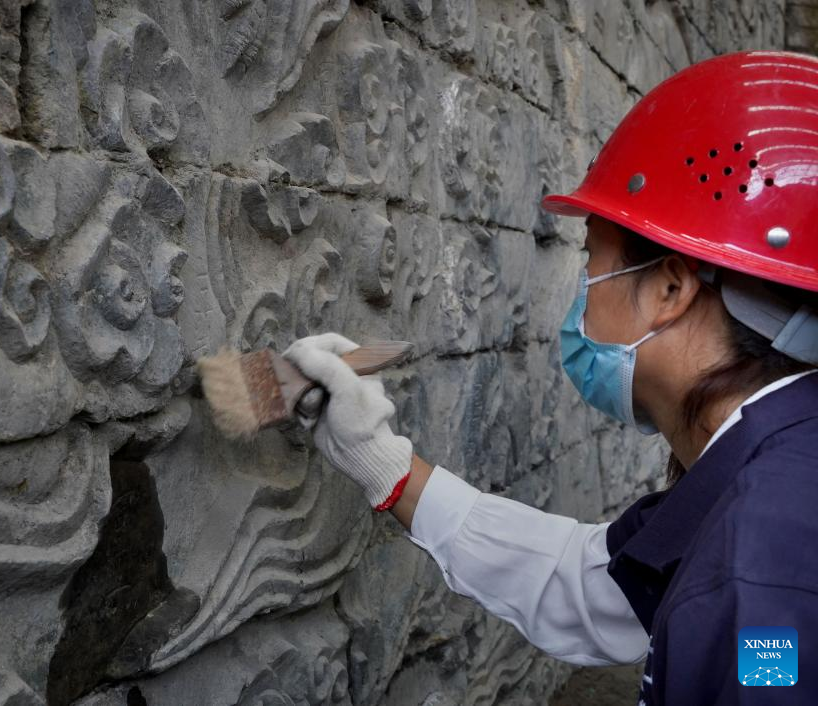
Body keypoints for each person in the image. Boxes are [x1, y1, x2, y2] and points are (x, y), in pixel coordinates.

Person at [281, 50, 818, 705]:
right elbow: (599, 589)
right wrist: (383, 465)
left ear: (672, 287)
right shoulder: (770, 466)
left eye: (593, 261)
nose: (583, 293)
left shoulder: (763, 559)